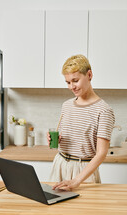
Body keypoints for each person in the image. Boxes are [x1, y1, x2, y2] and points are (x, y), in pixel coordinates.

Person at [47, 54, 115, 191]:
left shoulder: (103, 110)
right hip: (59, 163)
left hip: (83, 171)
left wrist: (76, 180)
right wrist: (56, 140)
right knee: (53, 210)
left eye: (75, 80)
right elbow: (72, 137)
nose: (71, 87)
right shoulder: (66, 105)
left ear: (89, 75)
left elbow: (101, 153)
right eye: (67, 82)